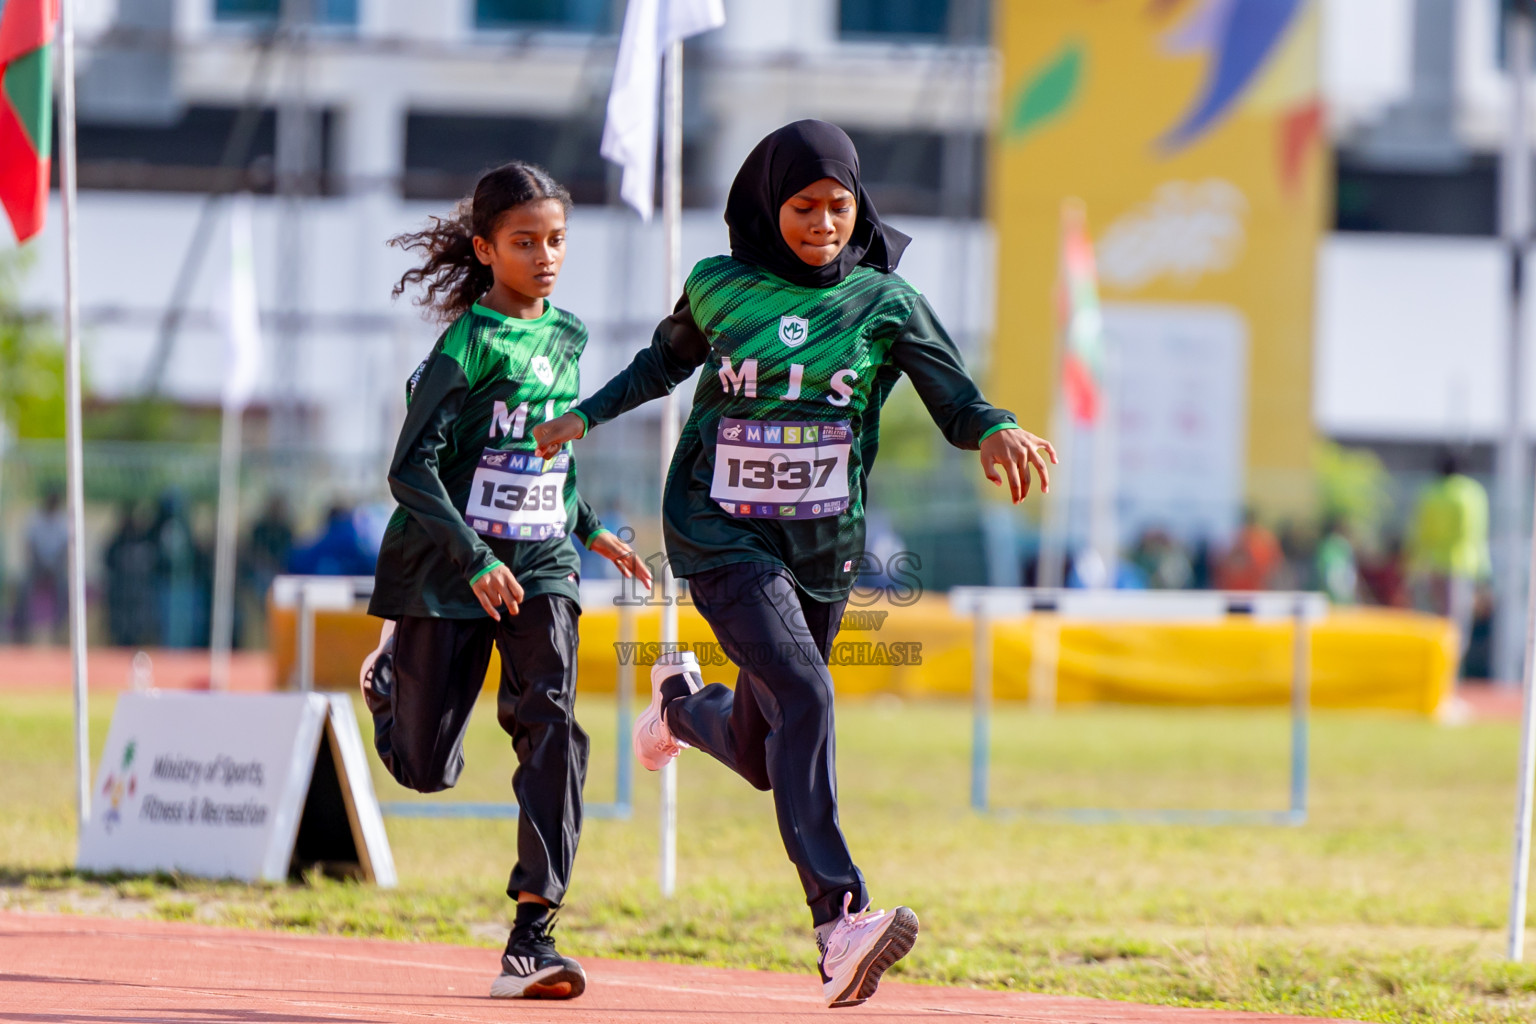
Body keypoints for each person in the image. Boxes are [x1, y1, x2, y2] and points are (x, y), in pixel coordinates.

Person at [533, 120, 1056, 1008]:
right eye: (803, 207)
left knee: (769, 749)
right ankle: (838, 921)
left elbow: (951, 392)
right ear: (770, 208)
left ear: (860, 210)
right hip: (717, 527)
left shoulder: (885, 303)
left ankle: (678, 708)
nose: (822, 224)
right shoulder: (720, 287)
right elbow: (660, 365)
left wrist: (995, 425)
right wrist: (585, 415)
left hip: (823, 546)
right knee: (808, 697)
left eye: (838, 208)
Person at [359, 162, 650, 1000]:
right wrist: (473, 556)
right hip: (450, 569)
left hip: (541, 563)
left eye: (557, 240)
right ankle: (388, 682)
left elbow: (545, 456)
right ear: (487, 249)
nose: (546, 255)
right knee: (424, 767)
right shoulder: (464, 347)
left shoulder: (570, 336)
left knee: (552, 722)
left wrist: (591, 529)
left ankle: (533, 933)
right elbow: (410, 469)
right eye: (526, 242)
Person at [1408, 451, 1490, 670]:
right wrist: (1484, 577)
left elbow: (1420, 534)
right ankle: (1449, 682)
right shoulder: (1472, 493)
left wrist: (1414, 567)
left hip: (1432, 567)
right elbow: (1476, 535)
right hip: (1461, 567)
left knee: (1433, 626)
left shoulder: (1431, 493)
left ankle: (1432, 677)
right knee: (1456, 628)